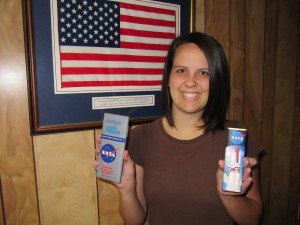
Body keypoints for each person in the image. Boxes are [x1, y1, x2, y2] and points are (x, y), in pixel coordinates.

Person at [93, 32, 263, 225]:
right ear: (168, 77)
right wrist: (126, 188)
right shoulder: (141, 137)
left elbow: (252, 219)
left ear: (217, 80)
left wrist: (230, 197)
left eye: (203, 72)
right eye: (181, 70)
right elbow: (135, 221)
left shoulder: (237, 138)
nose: (190, 82)